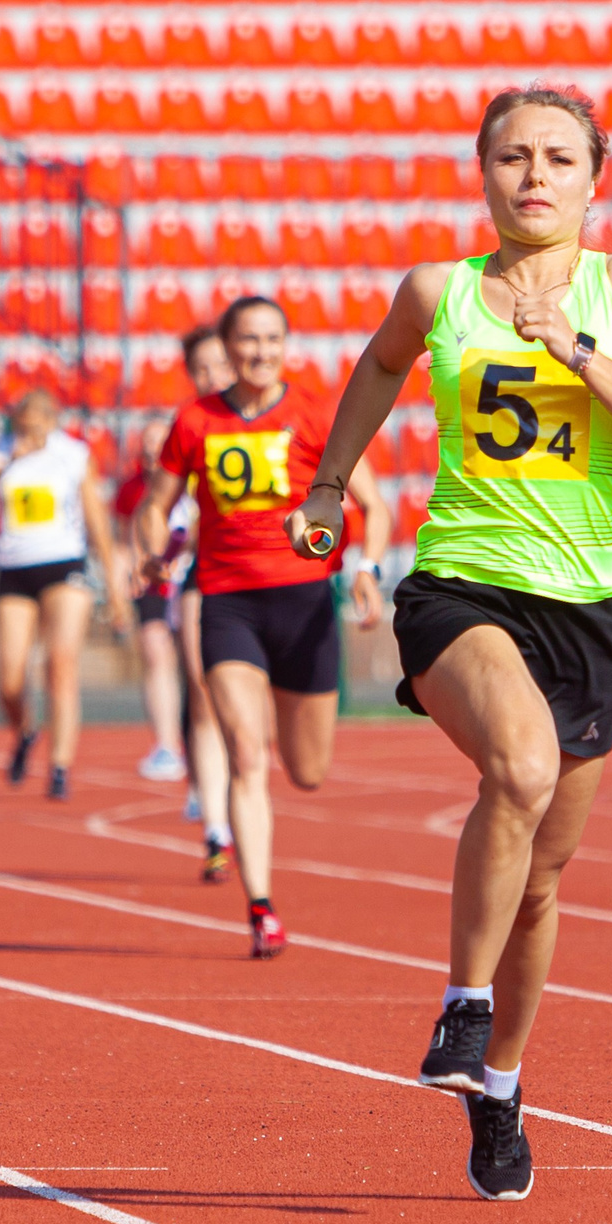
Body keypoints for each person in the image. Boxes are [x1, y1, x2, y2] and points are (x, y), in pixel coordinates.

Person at [295, 87, 612, 1201]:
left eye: (558, 157)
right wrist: (332, 482)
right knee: (516, 767)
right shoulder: (441, 290)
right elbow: (380, 366)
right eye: (513, 156)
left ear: (594, 177)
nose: (535, 174)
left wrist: (576, 350)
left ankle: (502, 1085)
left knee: (542, 879)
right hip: (464, 584)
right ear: (481, 174)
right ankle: (462, 1006)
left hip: (592, 604)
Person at [137, 295, 391, 956]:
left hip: (305, 604)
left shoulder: (313, 414)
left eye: (271, 339)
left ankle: (286, 717)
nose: (260, 351)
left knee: (306, 770)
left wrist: (367, 568)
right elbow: (156, 503)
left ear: (286, 345)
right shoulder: (195, 420)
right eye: (248, 340)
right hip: (229, 602)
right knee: (247, 754)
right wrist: (150, 547)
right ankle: (260, 907)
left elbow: (374, 505)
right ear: (228, 346)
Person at [0, 389, 127, 800]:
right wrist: (10, 463)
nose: (31, 431)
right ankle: (25, 730)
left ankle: (60, 765)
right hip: (14, 568)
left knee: (60, 663)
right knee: (9, 677)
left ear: (53, 421)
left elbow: (97, 521)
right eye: (24, 424)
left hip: (63, 564)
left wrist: (115, 587)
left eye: (38, 424)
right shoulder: (2, 451)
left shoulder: (73, 455)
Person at [114, 326, 234, 787]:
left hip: (220, 571)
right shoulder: (141, 487)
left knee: (206, 679)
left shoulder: (212, 444)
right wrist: (137, 565)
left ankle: (220, 763)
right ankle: (176, 753)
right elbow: (138, 523)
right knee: (175, 665)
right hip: (170, 579)